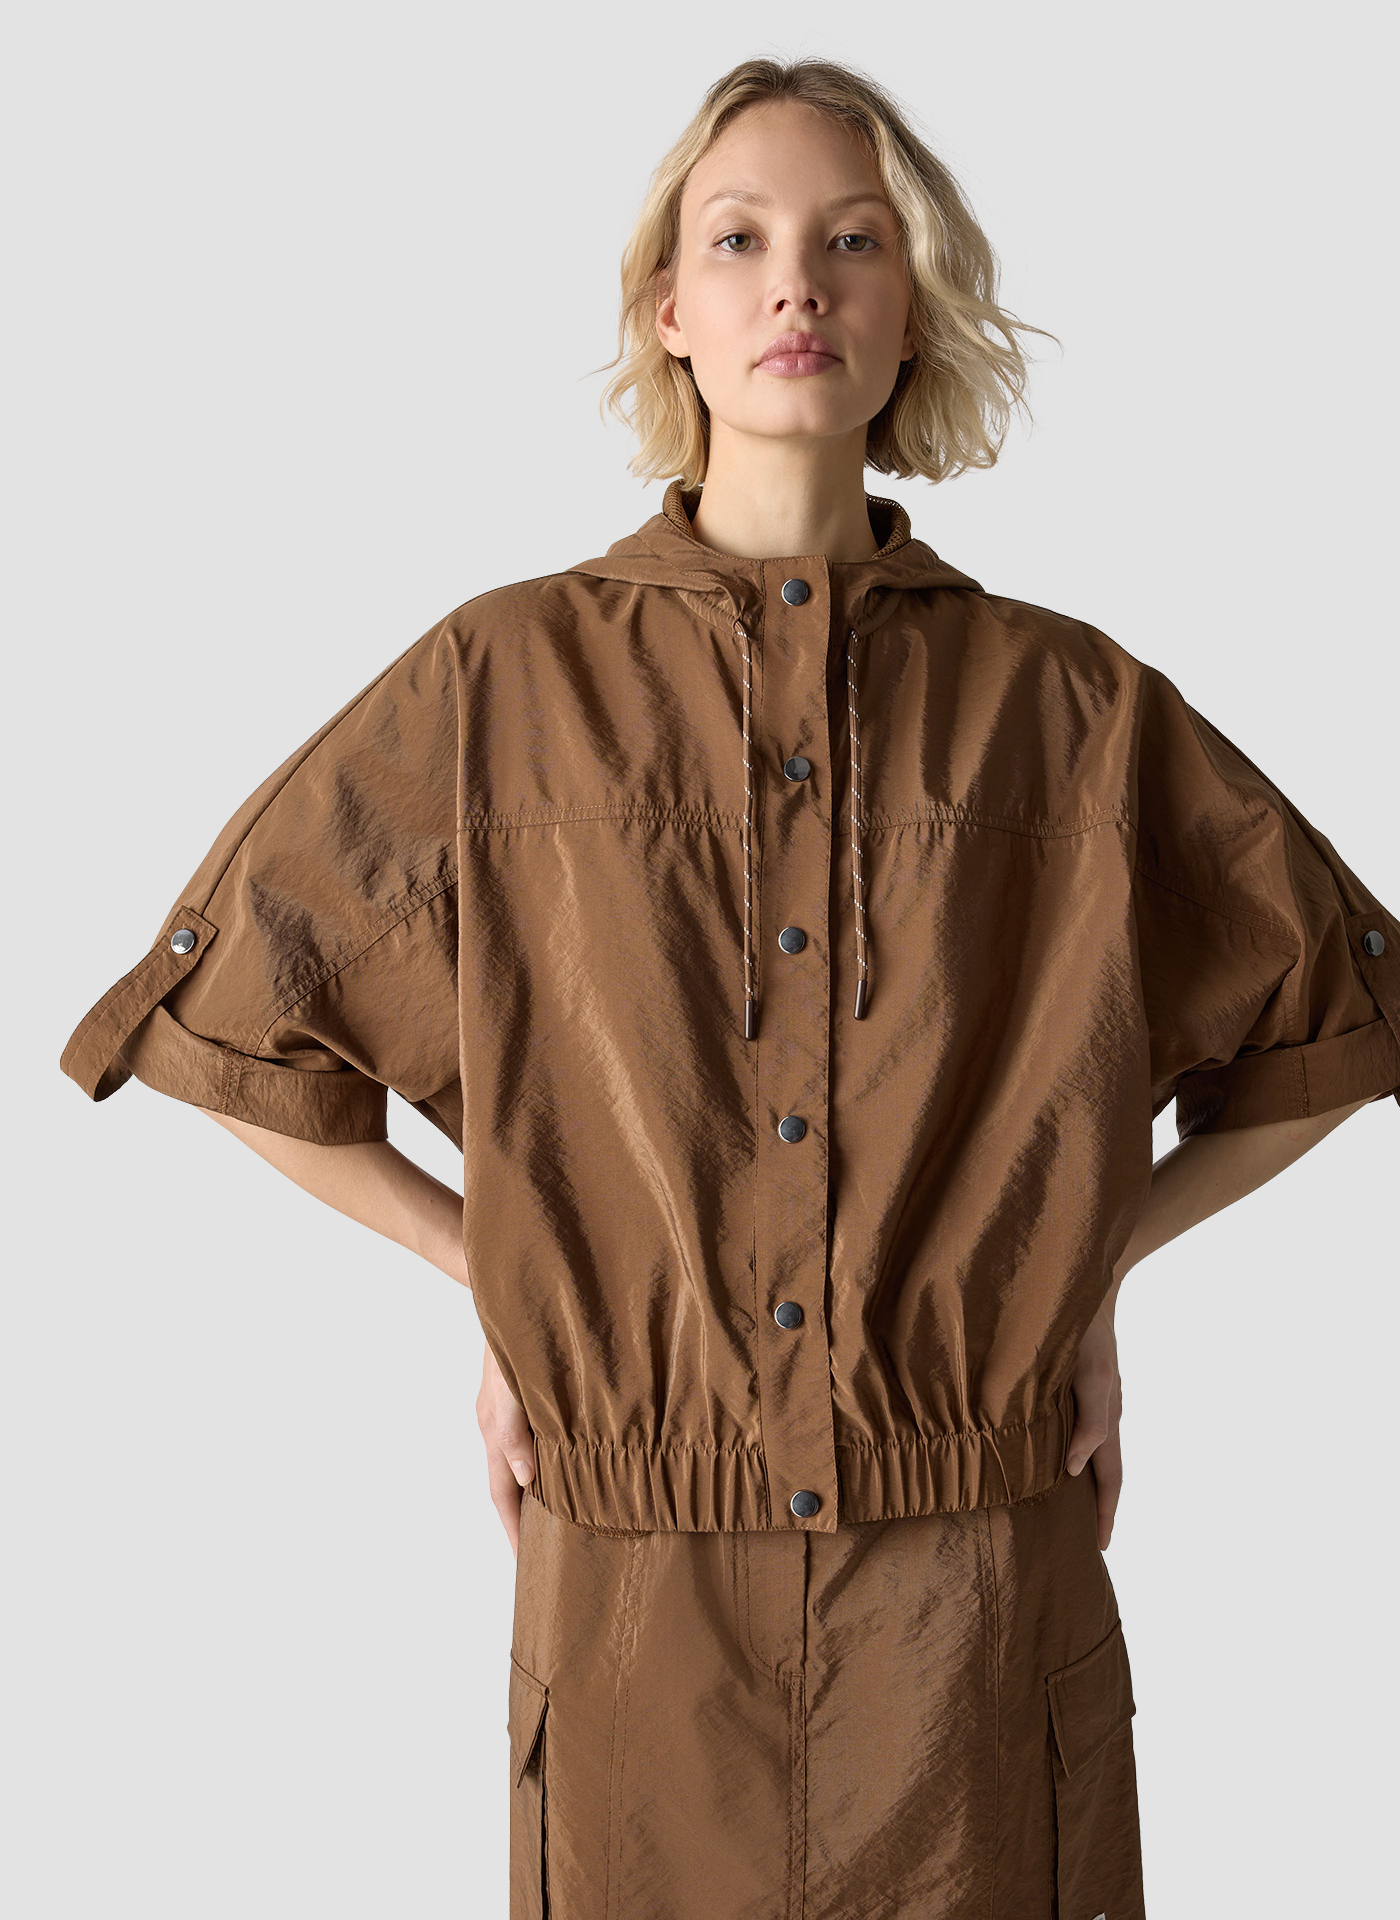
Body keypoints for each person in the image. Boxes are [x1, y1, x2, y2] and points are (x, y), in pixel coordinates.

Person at [59, 54, 1399, 1920]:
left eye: (854, 241)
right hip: (636, 1620)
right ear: (667, 310)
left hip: (975, 1613)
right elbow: (224, 1026)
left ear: (913, 307)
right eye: (740, 240)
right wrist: (512, 1274)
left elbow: (1337, 1021)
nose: (798, 286)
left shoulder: (1073, 710)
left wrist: (1082, 1258)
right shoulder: (502, 685)